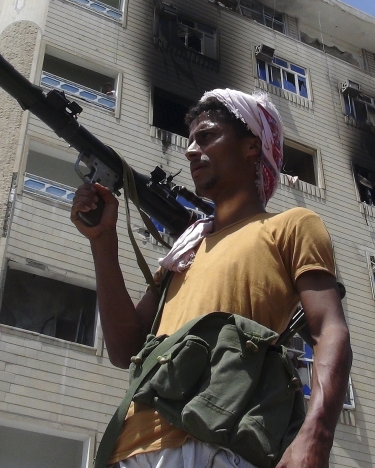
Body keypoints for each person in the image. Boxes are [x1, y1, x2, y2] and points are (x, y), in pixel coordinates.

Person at [71, 89, 352, 468]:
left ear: (252, 146)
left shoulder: (292, 226)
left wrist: (316, 435)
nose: (190, 151)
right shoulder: (183, 251)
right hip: (129, 451)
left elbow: (329, 330)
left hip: (217, 444)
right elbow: (124, 350)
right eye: (191, 141)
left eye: (206, 136)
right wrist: (102, 240)